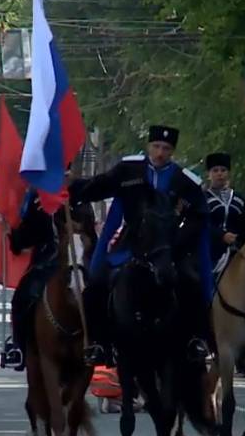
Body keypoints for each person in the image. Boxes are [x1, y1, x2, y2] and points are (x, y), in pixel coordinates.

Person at [69, 124, 212, 366]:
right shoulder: (129, 169)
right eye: (156, 146)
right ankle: (99, 342)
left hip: (168, 246)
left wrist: (179, 240)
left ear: (172, 151)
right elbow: (99, 186)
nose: (160, 152)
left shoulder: (184, 181)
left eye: (166, 148)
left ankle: (196, 339)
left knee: (191, 281)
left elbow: (199, 215)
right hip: (131, 243)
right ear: (149, 146)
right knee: (98, 282)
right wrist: (71, 188)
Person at [9, 190, 58, 369]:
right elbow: (26, 236)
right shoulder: (38, 201)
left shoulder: (79, 194)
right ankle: (19, 348)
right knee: (20, 301)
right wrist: (13, 233)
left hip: (52, 263)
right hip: (48, 260)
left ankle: (103, 345)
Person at [203, 152, 245, 273]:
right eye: (215, 170)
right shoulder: (202, 198)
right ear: (209, 174)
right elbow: (201, 224)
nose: (219, 173)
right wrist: (221, 236)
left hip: (238, 249)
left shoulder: (239, 199)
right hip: (211, 249)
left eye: (223, 170)